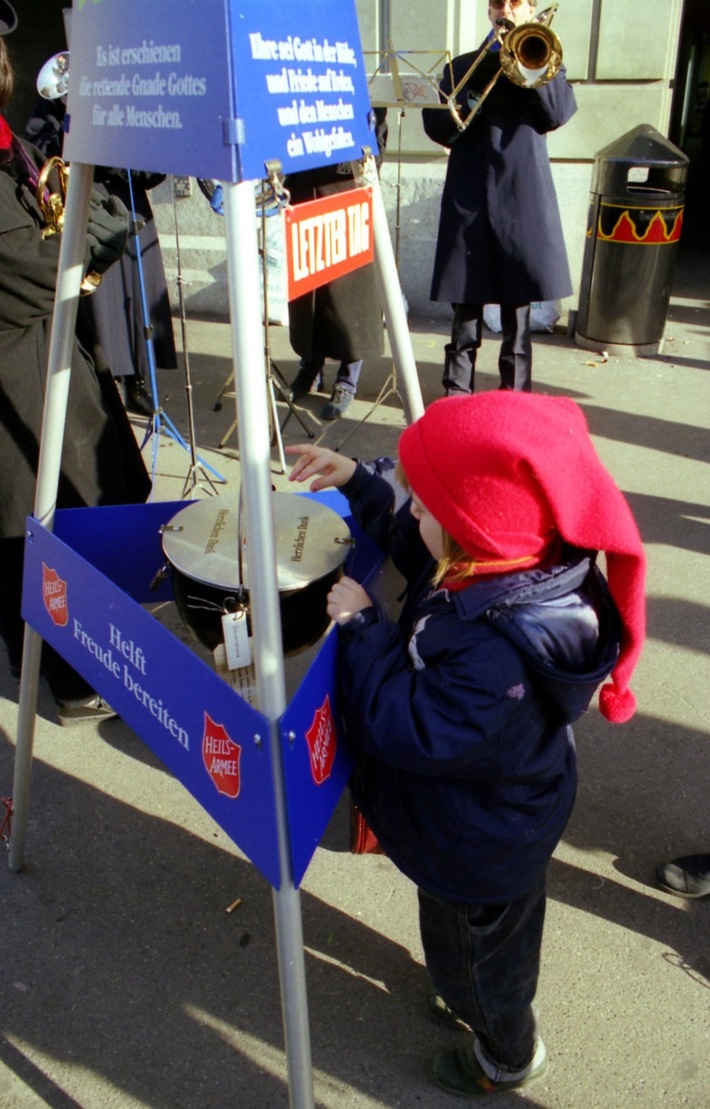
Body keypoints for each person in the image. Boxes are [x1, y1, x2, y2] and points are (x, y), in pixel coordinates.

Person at [287, 391, 646, 1096]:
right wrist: (359, 483)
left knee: (483, 963)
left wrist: (364, 630)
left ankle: (506, 1051)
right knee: (470, 944)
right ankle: (469, 991)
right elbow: (421, 550)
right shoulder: (497, 563)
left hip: (476, 845)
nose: (411, 508)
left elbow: (408, 724)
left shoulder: (497, 657)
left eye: (423, 503)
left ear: (472, 529)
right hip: (474, 820)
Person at [0, 17, 152, 724]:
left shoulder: (10, 141)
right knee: (31, 531)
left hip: (50, 362)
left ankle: (79, 657)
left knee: (81, 507)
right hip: (14, 384)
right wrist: (89, 244)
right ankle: (62, 677)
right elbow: (26, 272)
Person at [422, 0, 577, 394]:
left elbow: (558, 113)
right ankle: (455, 403)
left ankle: (515, 406)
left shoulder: (542, 57)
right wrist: (481, 74)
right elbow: (441, 128)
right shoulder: (461, 66)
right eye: (496, 2)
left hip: (521, 196)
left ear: (531, 9)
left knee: (518, 321)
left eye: (515, 1)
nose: (504, 8)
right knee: (465, 319)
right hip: (470, 195)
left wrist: (531, 68)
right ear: (488, 12)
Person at [24, 100, 178, 418]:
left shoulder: (131, 100)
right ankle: (103, 382)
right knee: (99, 304)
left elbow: (156, 162)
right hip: (85, 200)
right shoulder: (52, 106)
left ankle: (136, 382)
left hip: (129, 204)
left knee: (137, 295)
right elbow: (42, 147)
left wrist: (123, 160)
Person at [287, 109, 388, 420]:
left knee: (349, 297)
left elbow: (376, 148)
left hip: (346, 193)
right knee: (309, 292)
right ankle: (311, 365)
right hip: (305, 191)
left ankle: (347, 379)